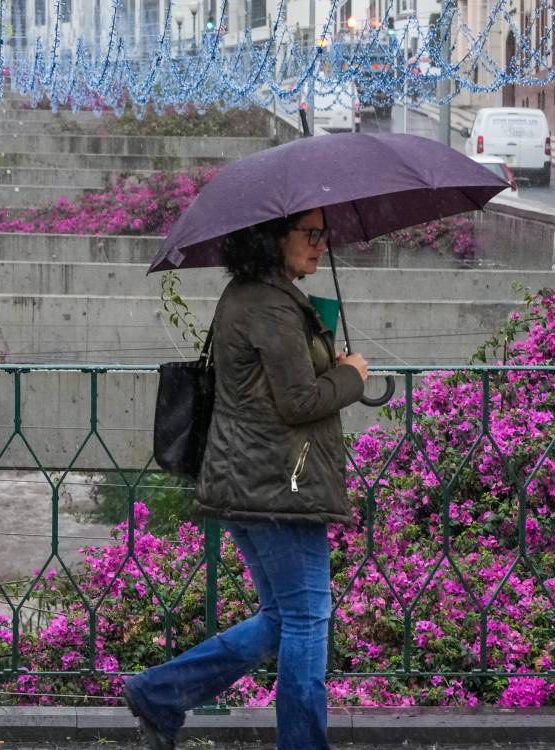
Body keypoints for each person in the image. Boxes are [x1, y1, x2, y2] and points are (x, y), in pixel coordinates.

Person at [122, 208, 370, 750]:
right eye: (310, 234)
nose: (321, 244)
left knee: (282, 617)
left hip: (251, 480)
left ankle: (160, 693)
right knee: (307, 619)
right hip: (280, 486)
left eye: (324, 234)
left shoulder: (254, 294)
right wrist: (350, 375)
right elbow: (300, 401)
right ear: (271, 237)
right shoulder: (270, 306)